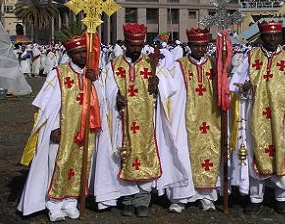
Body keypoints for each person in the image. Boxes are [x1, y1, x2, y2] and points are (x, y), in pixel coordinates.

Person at [17, 29, 106, 221]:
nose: (82, 55)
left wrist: (95, 81)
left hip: (86, 129)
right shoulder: (58, 73)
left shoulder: (93, 73)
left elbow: (102, 101)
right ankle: (54, 203)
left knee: (83, 164)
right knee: (58, 163)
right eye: (77, 53)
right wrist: (54, 127)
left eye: (84, 51)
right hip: (63, 129)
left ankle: (71, 201)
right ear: (70, 54)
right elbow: (48, 105)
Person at [103, 23, 188, 217]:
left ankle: (143, 200)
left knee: (146, 155)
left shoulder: (152, 64)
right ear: (125, 43)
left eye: (138, 45)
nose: (135, 48)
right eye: (132, 45)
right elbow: (105, 87)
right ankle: (126, 200)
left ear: (143, 43)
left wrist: (159, 85)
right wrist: (114, 94)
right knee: (123, 156)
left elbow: (172, 87)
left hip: (148, 122)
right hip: (121, 119)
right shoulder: (114, 65)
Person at [230, 20, 285, 215]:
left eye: (275, 35)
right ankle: (256, 198)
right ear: (261, 37)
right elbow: (235, 86)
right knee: (256, 151)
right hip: (255, 114)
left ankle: (282, 198)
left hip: (284, 116)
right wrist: (244, 89)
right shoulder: (250, 57)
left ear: (280, 36)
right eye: (268, 36)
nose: (272, 39)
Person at [166, 28, 221, 213]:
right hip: (184, 119)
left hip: (211, 120)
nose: (200, 49)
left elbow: (225, 90)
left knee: (209, 155)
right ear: (189, 46)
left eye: (203, 45)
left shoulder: (215, 65)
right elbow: (167, 89)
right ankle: (180, 197)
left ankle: (206, 196)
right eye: (196, 46)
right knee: (182, 154)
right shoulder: (178, 65)